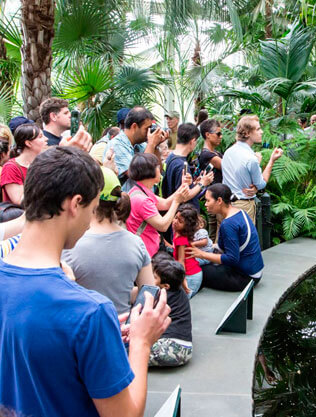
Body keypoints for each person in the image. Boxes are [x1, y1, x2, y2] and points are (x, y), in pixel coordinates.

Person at [0, 146, 172, 416]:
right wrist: (141, 342)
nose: (90, 223)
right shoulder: (90, 311)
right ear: (75, 204)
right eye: (92, 210)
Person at [62, 167, 154, 315]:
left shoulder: (69, 245)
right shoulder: (136, 243)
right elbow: (149, 295)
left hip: (84, 333)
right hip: (122, 332)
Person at [185, 184, 264, 292]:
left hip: (246, 277)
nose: (206, 204)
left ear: (219, 200)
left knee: (196, 269)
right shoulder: (240, 212)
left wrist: (201, 254)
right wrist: (211, 246)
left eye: (208, 201)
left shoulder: (228, 224)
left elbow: (232, 259)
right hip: (255, 271)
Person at [221, 115, 283, 223]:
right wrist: (272, 161)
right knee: (246, 238)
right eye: (258, 129)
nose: (262, 132)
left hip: (226, 205)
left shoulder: (228, 152)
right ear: (247, 133)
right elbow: (261, 184)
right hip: (243, 206)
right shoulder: (251, 159)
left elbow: (238, 174)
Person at [126, 153, 190, 257]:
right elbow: (163, 225)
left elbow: (165, 204)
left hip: (145, 249)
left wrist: (182, 185)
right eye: (157, 167)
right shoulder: (142, 200)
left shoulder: (138, 190)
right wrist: (177, 202)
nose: (159, 170)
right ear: (149, 171)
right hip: (147, 253)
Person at [104, 106, 168, 189]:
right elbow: (139, 173)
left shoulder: (141, 145)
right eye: (147, 129)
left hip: (144, 198)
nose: (149, 132)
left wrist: (155, 145)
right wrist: (151, 144)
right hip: (130, 200)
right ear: (134, 127)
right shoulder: (117, 145)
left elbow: (158, 170)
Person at [150, 253, 192, 367]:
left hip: (168, 348)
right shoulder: (179, 292)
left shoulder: (162, 296)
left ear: (166, 286)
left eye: (154, 277)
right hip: (185, 347)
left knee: (129, 353)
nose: (150, 278)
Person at [161, 123, 212, 214]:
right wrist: (202, 183)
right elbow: (184, 196)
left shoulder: (171, 157)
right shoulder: (181, 165)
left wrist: (194, 184)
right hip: (184, 215)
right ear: (192, 141)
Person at [0, 123, 47, 204]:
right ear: (28, 143)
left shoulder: (44, 163)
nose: (46, 139)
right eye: (40, 136)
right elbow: (19, 201)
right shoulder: (11, 168)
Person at [198, 118, 224, 240]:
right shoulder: (207, 154)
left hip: (216, 197)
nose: (221, 136)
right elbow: (227, 166)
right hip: (214, 198)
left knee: (215, 230)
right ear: (208, 135)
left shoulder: (215, 153)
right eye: (218, 133)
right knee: (219, 229)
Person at [172, 204, 203, 298]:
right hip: (189, 273)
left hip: (190, 276)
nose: (175, 222)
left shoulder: (181, 239)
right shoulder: (177, 232)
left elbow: (181, 260)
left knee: (184, 298)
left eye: (180, 221)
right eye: (175, 218)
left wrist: (182, 279)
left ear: (187, 226)